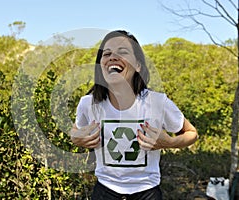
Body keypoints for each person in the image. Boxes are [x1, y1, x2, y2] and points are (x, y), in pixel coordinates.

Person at [70, 30, 198, 200]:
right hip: (104, 190)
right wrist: (75, 137)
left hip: (148, 191)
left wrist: (170, 142)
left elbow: (192, 133)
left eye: (122, 52)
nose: (112, 57)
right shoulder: (88, 103)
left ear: (138, 65)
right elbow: (76, 130)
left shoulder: (158, 102)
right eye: (106, 53)